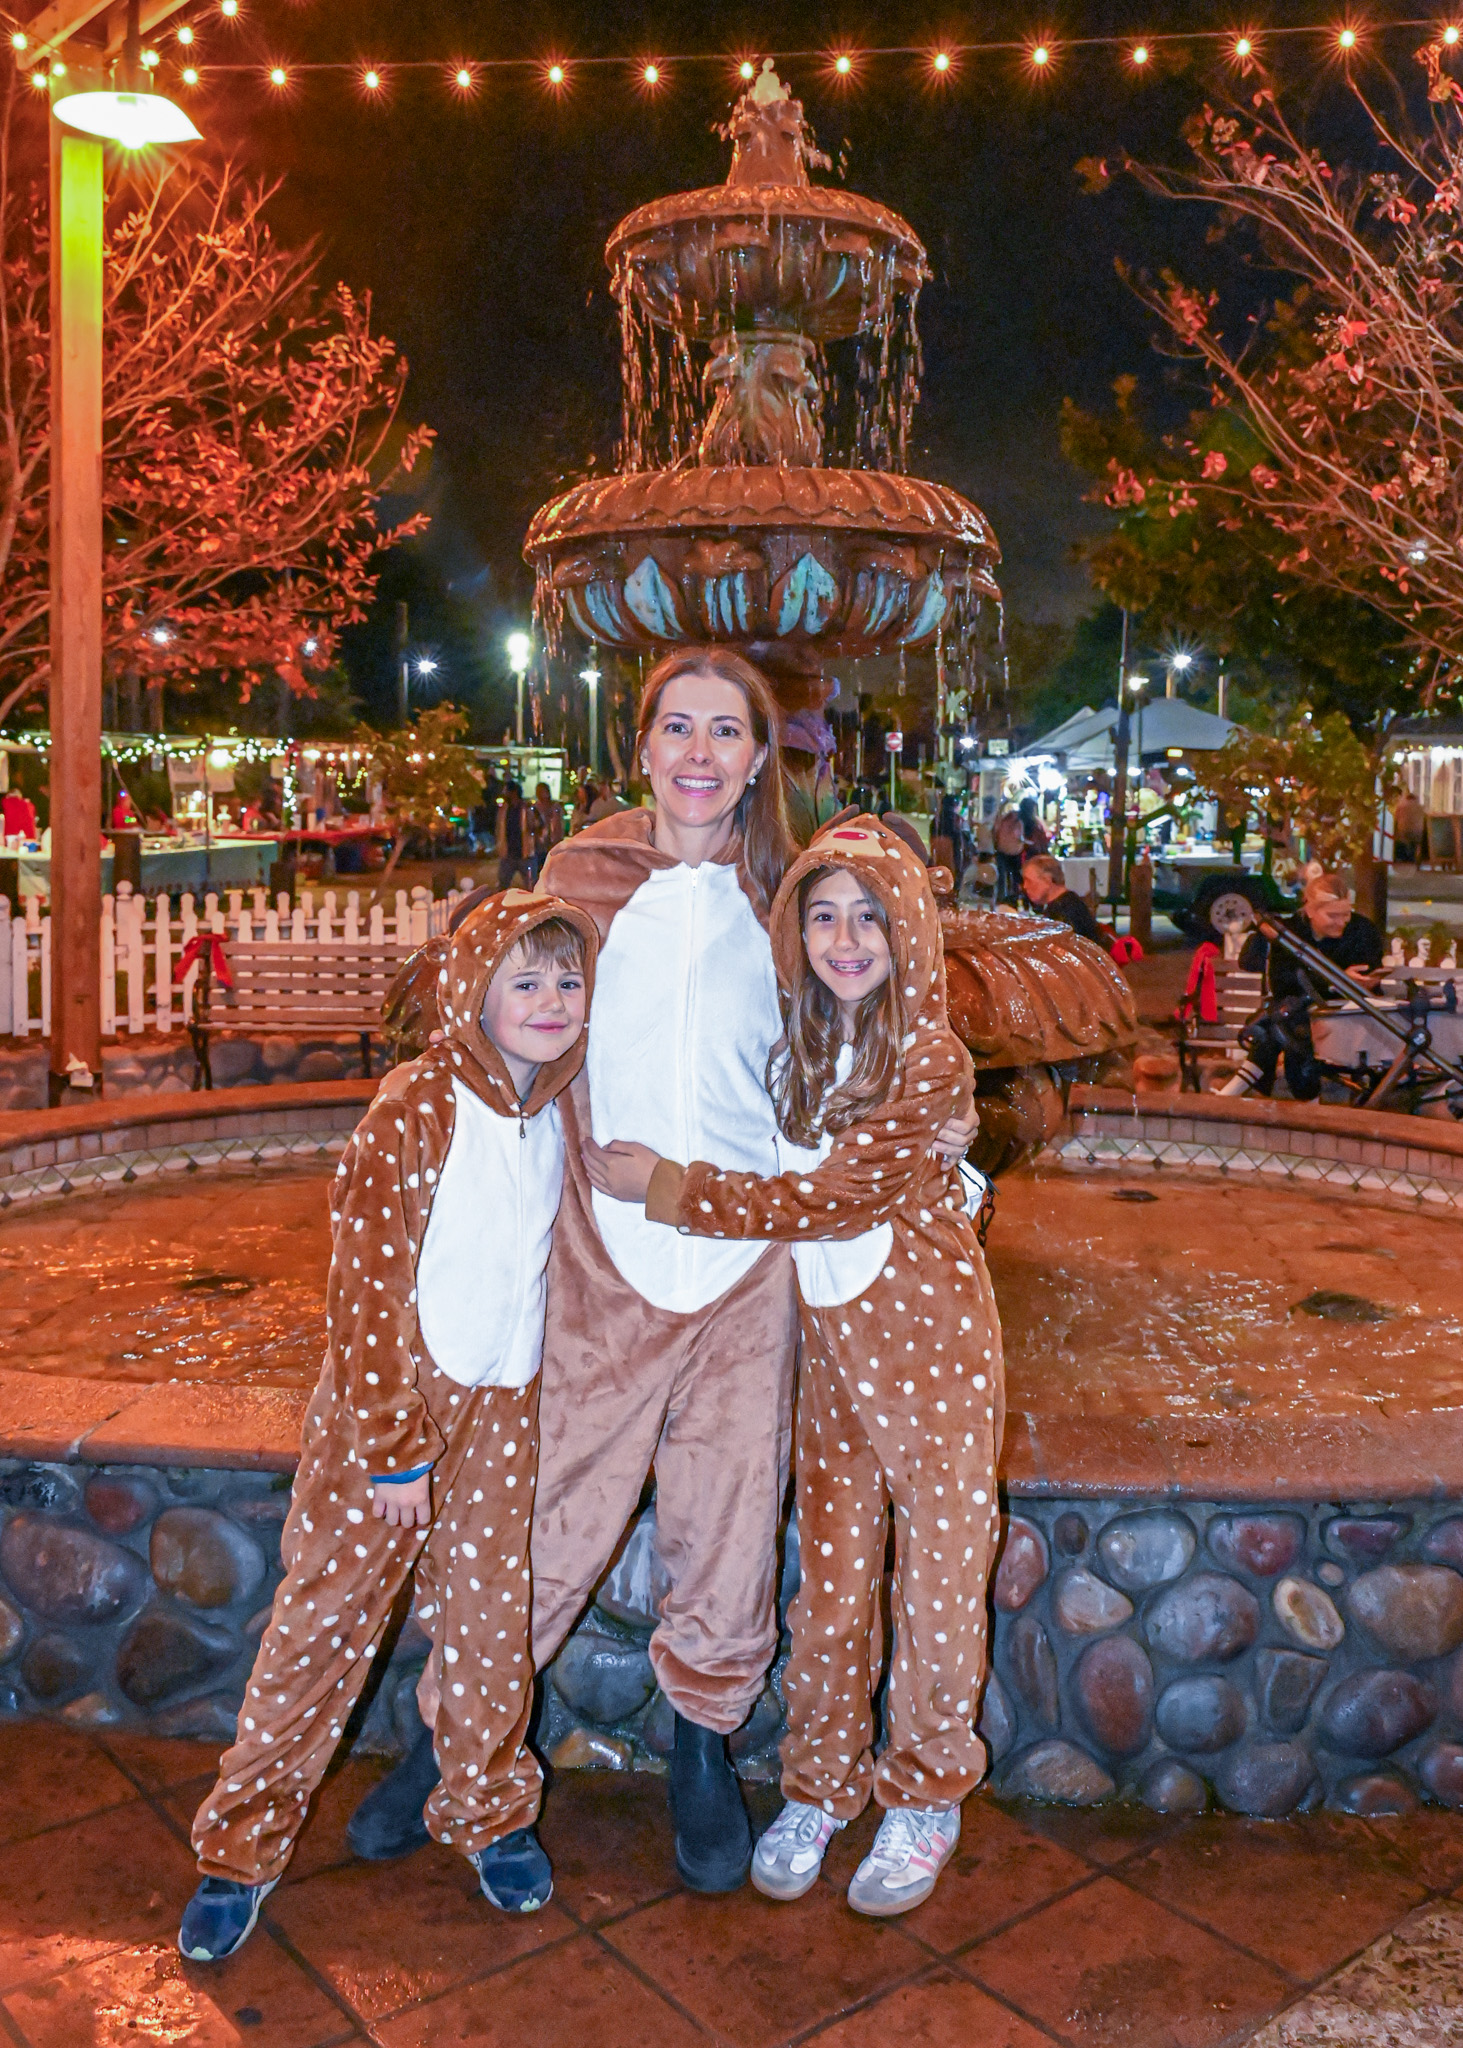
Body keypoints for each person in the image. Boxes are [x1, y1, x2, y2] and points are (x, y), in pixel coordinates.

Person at [351, 648, 980, 1894]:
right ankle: (454, 1736)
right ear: (638, 745)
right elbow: (506, 1025)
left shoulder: (786, 892)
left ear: (760, 756)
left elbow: (850, 1041)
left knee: (731, 1521)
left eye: (725, 731)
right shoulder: (576, 877)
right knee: (548, 1516)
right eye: (676, 727)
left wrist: (943, 1154)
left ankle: (704, 1743)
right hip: (604, 1263)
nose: (699, 753)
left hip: (753, 1274)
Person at [586, 815, 1002, 1918]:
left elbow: (822, 1199)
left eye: (868, 914)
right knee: (830, 1583)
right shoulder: (801, 1048)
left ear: (908, 926)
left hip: (929, 1355)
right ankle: (818, 1783)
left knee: (939, 1578)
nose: (844, 936)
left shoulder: (926, 1057)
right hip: (826, 1351)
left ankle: (921, 1790)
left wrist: (661, 1186)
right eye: (820, 914)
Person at [176, 892, 599, 1962]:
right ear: (474, 992)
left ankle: (488, 1810)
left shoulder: (557, 1105)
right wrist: (393, 1443)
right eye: (525, 981)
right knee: (322, 1621)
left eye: (565, 980)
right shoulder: (415, 1105)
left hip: (504, 1404)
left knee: (490, 1623)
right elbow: (361, 1289)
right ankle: (240, 1846)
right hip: (392, 1415)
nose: (551, 1002)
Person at [1238, 874, 1384, 1100]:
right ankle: (1300, 1104)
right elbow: (1283, 983)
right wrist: (1335, 980)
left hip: (1350, 1015)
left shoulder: (1362, 931)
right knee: (1289, 1028)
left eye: (1346, 913)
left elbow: (1369, 973)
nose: (1342, 921)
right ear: (1310, 911)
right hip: (1301, 1012)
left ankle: (1236, 1094)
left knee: (1286, 1030)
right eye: (1333, 915)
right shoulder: (1290, 934)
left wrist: (1354, 981)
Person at [1021, 853, 1115, 952]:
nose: (1025, 886)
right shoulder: (1069, 901)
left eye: (1029, 881)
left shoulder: (1061, 912)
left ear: (1048, 880)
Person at [495, 779, 534, 890]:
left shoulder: (525, 808)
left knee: (530, 885)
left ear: (513, 792)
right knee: (502, 885)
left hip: (524, 853)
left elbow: (533, 826)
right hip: (508, 853)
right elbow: (499, 828)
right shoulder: (504, 809)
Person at [991, 805, 1025, 904]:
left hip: (1007, 851)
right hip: (1011, 852)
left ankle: (1006, 897)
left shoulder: (1004, 822)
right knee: (1010, 875)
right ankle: (1010, 897)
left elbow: (995, 834)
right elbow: (1020, 837)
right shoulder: (1016, 823)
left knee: (1005, 875)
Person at [531, 781, 564, 878]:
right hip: (539, 843)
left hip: (553, 842)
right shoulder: (535, 808)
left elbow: (559, 824)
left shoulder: (555, 807)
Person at [1393, 788, 1427, 868]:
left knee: (1403, 841)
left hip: (1404, 829)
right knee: (1415, 844)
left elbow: (1396, 818)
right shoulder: (1420, 807)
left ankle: (1404, 858)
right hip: (1418, 830)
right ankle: (1413, 858)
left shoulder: (1401, 806)